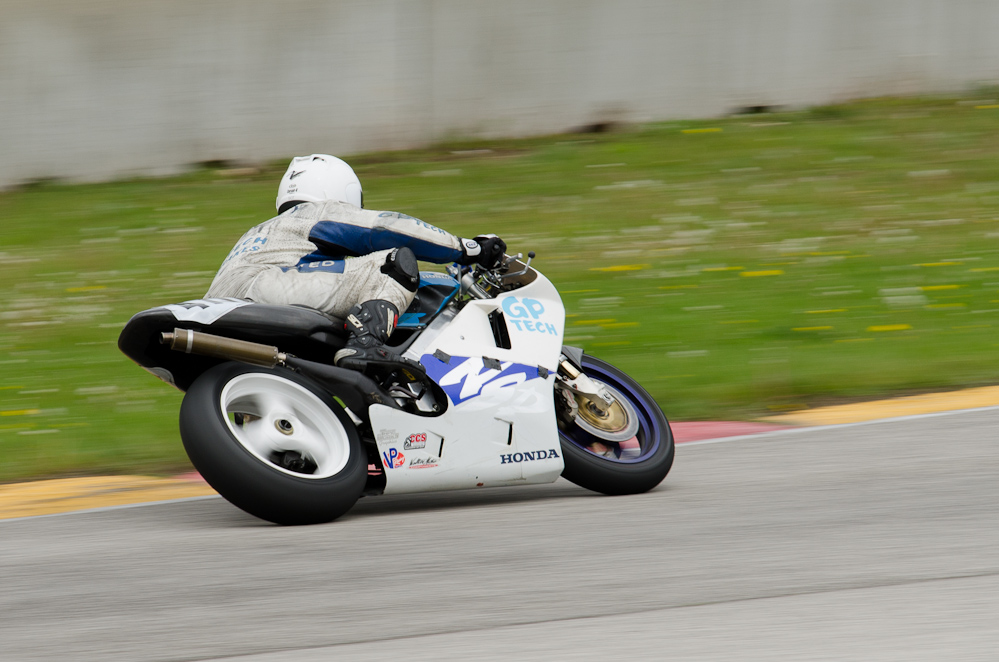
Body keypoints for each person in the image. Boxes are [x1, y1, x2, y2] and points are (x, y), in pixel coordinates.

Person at [205, 154, 505, 374]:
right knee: (392, 261)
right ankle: (365, 345)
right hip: (269, 287)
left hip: (216, 309)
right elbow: (388, 228)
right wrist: (468, 249)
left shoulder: (258, 231)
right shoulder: (318, 211)